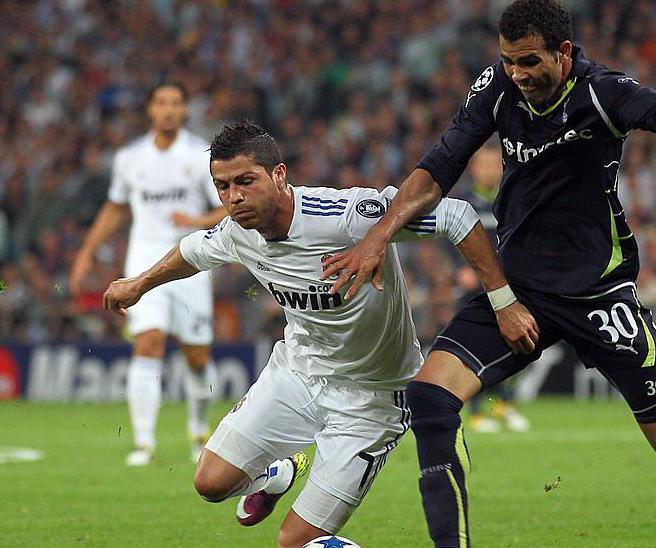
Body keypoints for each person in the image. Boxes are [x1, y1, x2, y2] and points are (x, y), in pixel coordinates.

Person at [323, 1, 656, 546]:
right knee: (431, 398)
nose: (519, 75)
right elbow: (439, 166)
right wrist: (378, 237)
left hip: (600, 296)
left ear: (564, 52)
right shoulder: (498, 88)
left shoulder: (602, 91)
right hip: (520, 290)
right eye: (509, 61)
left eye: (530, 62)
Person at [102, 121, 536, 548]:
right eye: (223, 186)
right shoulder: (240, 233)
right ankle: (277, 474)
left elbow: (458, 217)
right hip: (297, 374)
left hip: (373, 401)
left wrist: (503, 302)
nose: (234, 197)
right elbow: (192, 251)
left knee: (293, 544)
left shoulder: (347, 217)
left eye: (245, 181)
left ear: (279, 174)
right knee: (210, 483)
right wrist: (138, 283)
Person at [69, 82, 226, 466]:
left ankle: (198, 431)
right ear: (150, 110)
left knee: (197, 357)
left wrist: (197, 220)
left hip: (191, 261)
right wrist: (86, 254)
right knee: (149, 341)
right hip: (142, 264)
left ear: (185, 111)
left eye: (176, 103)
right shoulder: (130, 158)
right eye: (162, 103)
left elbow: (227, 205)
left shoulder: (201, 154)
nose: (169, 110)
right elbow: (115, 208)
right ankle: (143, 443)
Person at [458, 145, 530, 433]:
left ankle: (501, 403)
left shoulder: (509, 198)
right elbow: (449, 238)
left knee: (511, 345)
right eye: (483, 165)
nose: (489, 171)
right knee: (473, 347)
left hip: (505, 286)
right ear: (474, 170)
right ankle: (476, 412)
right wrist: (459, 268)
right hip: (473, 288)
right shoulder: (464, 201)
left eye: (494, 165)